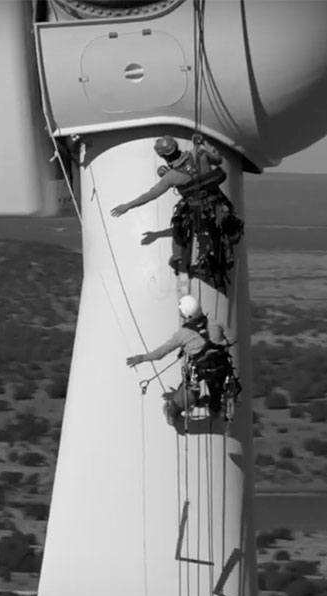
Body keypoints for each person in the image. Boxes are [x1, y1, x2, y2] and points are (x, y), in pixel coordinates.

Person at [109, 135, 244, 292]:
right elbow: (218, 160)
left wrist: (128, 205)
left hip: (200, 213)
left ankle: (181, 260)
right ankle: (221, 257)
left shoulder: (171, 177)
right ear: (177, 147)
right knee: (216, 235)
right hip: (220, 207)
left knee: (179, 223)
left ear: (164, 156)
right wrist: (204, 145)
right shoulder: (198, 154)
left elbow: (151, 194)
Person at [125, 294, 237, 428]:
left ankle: (172, 411)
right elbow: (232, 339)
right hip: (220, 367)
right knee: (215, 388)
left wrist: (142, 358)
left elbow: (161, 353)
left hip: (201, 370)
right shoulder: (215, 323)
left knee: (190, 390)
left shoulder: (182, 334)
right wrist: (219, 345)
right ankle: (215, 410)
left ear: (188, 316)